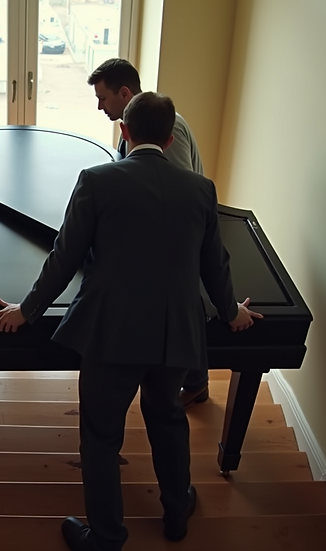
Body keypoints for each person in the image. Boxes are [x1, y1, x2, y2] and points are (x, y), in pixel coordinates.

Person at [0, 92, 262, 549]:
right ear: (170, 138)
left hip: (111, 333)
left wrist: (27, 310)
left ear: (125, 132)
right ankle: (176, 513)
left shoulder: (96, 180)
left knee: (101, 436)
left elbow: (64, 258)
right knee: (168, 418)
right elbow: (215, 265)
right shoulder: (201, 189)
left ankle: (107, 537)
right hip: (175, 332)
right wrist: (234, 313)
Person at [87, 57, 210, 407]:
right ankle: (191, 380)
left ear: (125, 93)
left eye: (103, 98)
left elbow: (178, 192)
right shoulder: (139, 126)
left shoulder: (169, 130)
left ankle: (195, 381)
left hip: (173, 246)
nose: (100, 107)